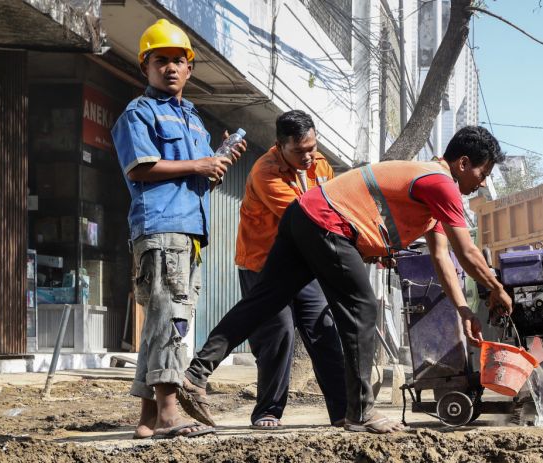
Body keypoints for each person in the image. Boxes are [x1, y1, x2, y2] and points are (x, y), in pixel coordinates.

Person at [184, 125, 513, 433]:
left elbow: (443, 258)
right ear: (463, 162)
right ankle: (360, 411)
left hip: (303, 216)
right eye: (483, 173)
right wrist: (496, 289)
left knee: (263, 301)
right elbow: (468, 252)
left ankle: (195, 374)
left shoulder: (431, 187)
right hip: (327, 224)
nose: (482, 182)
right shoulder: (440, 182)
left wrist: (463, 310)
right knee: (363, 307)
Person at [111, 19, 245, 439]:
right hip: (162, 227)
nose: (170, 68)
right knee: (171, 320)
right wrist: (199, 165)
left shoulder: (191, 118)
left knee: (164, 320)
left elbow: (203, 175)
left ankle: (149, 419)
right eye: (160, 61)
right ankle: (169, 414)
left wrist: (217, 162)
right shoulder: (140, 112)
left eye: (178, 61)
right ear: (145, 68)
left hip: (189, 230)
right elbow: (142, 167)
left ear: (190, 69)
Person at [235, 110, 347, 429]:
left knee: (325, 331)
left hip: (304, 266)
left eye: (312, 146)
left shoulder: (321, 165)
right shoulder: (265, 172)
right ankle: (267, 410)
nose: (309, 155)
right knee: (279, 332)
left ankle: (343, 412)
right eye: (300, 151)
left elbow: (337, 205)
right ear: (280, 146)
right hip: (263, 266)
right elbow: (310, 217)